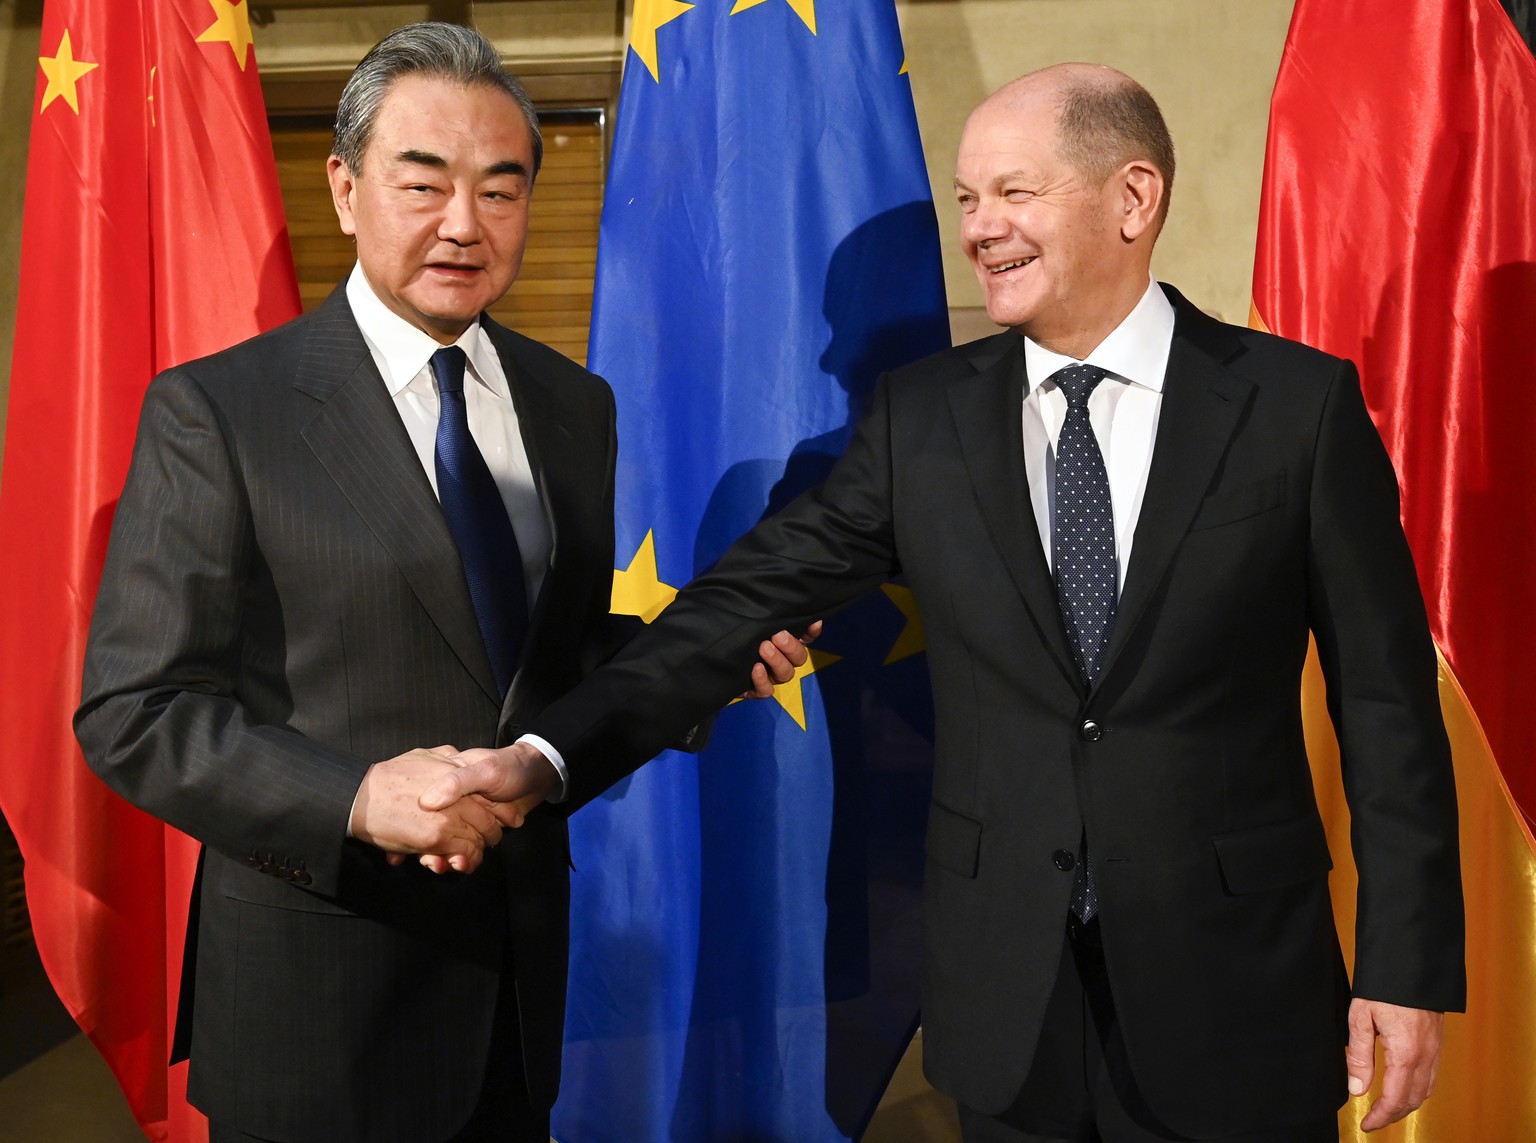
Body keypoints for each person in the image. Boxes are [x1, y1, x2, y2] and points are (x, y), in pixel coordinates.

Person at [424, 64, 1466, 1142]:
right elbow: (739, 603)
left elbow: (1389, 712)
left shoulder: (1298, 409)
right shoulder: (922, 421)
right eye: (968, 200)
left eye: (1014, 194)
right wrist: (544, 759)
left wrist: (1407, 968)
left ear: (1133, 197)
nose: (981, 230)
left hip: (1243, 996)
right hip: (1010, 1012)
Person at [74, 22, 809, 1143]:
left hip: (516, 984)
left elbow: (532, 657)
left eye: (501, 190)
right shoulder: (221, 412)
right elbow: (133, 710)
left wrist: (706, 665)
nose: (465, 224)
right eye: (424, 184)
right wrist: (357, 799)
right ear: (346, 188)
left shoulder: (575, 407)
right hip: (320, 1004)